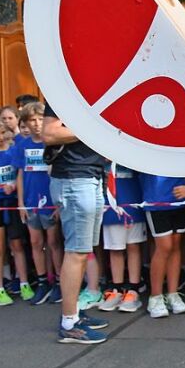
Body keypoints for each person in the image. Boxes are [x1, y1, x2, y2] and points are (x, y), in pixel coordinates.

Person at [41, 103, 109, 343]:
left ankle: (74, 315)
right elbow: (48, 134)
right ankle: (69, 322)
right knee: (77, 252)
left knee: (82, 251)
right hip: (75, 178)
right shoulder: (63, 92)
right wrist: (93, 129)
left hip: (88, 176)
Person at [14, 102, 62, 306]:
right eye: (31, 120)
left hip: (50, 201)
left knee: (53, 242)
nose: (36, 124)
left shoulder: (51, 143)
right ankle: (43, 281)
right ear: (24, 123)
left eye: (40, 119)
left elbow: (59, 174)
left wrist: (59, 203)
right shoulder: (22, 145)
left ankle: (59, 281)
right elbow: (20, 175)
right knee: (35, 242)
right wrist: (21, 203)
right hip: (31, 201)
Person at [0, 115, 29, 305]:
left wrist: (14, 187)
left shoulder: (14, 150)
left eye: (3, 132)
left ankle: (25, 283)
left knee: (17, 245)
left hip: (12, 204)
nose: (1, 137)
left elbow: (22, 176)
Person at [137, 171, 185, 318]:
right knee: (164, 247)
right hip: (156, 200)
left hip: (179, 196)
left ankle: (173, 294)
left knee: (175, 245)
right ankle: (155, 297)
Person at [96, 163, 145, 313]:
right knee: (115, 248)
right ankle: (117, 289)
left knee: (133, 246)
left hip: (132, 198)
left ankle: (134, 290)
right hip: (110, 201)